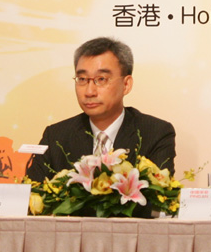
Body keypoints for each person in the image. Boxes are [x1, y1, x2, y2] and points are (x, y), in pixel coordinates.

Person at [26, 37, 176, 183]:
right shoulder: (56, 136)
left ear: (126, 85)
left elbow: (157, 193)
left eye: (101, 79)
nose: (89, 91)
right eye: (82, 79)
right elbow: (34, 193)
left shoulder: (155, 133)